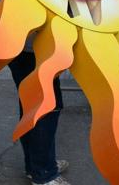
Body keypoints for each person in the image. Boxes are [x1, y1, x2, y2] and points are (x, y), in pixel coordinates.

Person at [9, 49, 70, 185]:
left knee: (31, 107)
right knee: (45, 111)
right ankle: (44, 173)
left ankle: (37, 167)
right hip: (37, 50)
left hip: (21, 47)